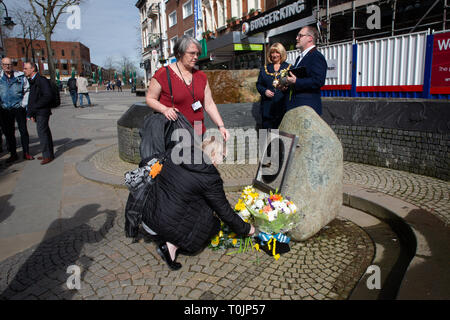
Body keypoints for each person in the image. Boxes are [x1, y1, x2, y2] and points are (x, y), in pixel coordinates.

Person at [141, 136, 255, 270]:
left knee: (190, 197)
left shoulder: (177, 152)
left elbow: (145, 162)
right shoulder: (210, 178)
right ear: (213, 156)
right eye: (222, 157)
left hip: (148, 216)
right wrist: (247, 229)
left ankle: (169, 245)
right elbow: (224, 211)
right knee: (213, 220)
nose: (222, 162)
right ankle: (172, 245)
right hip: (165, 225)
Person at [146, 35, 229, 140]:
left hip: (198, 128)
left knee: (198, 155)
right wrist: (164, 109)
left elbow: (209, 104)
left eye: (197, 54)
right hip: (175, 130)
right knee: (178, 156)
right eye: (192, 53)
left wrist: (221, 126)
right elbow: (150, 99)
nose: (195, 57)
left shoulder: (201, 76)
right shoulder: (163, 74)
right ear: (180, 53)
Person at [284, 25, 327, 116]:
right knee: (268, 130)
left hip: (308, 108)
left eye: (300, 35)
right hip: (298, 107)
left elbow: (318, 81)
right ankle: (264, 132)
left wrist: (296, 81)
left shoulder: (316, 56)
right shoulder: (300, 57)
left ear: (310, 38)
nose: (297, 38)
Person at [0, 57, 34, 163]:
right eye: (5, 64)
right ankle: (13, 154)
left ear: (12, 65)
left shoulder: (20, 76)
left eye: (9, 64)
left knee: (23, 131)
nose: (7, 66)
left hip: (19, 108)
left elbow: (27, 90)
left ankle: (26, 152)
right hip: (5, 109)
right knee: (9, 133)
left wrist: (23, 104)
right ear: (2, 65)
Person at [23, 62, 55, 165]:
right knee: (45, 132)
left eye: (25, 68)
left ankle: (47, 155)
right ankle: (48, 153)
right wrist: (31, 113)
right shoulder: (33, 81)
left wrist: (35, 108)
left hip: (42, 111)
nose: (24, 70)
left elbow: (47, 96)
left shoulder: (41, 80)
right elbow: (32, 98)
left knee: (42, 133)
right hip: (38, 111)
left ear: (32, 69)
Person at [256, 43, 292, 129]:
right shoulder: (264, 68)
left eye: (277, 52)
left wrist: (286, 88)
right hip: (267, 108)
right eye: (272, 52)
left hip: (282, 107)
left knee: (279, 136)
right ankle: (264, 143)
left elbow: (294, 85)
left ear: (282, 53)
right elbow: (259, 84)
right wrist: (265, 91)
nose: (274, 55)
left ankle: (276, 143)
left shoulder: (289, 68)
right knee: (264, 136)